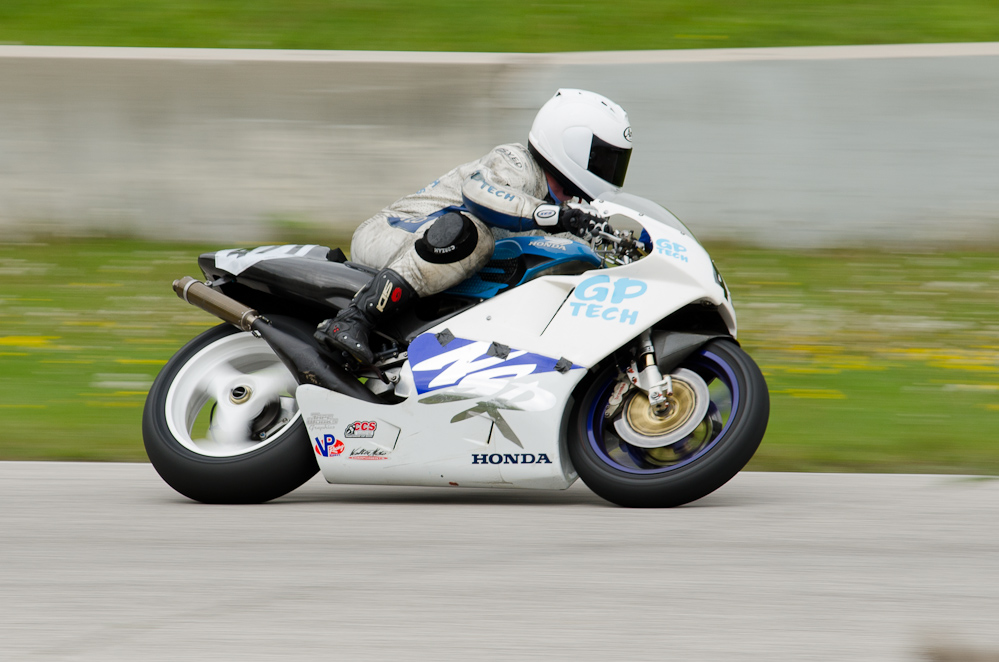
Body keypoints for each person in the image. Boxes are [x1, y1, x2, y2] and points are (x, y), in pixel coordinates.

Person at [315, 88, 633, 364]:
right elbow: (479, 194)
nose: (611, 171)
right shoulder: (517, 163)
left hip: (438, 269)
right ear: (571, 143)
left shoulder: (568, 216)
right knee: (472, 236)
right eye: (605, 159)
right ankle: (353, 319)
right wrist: (553, 216)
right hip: (391, 233)